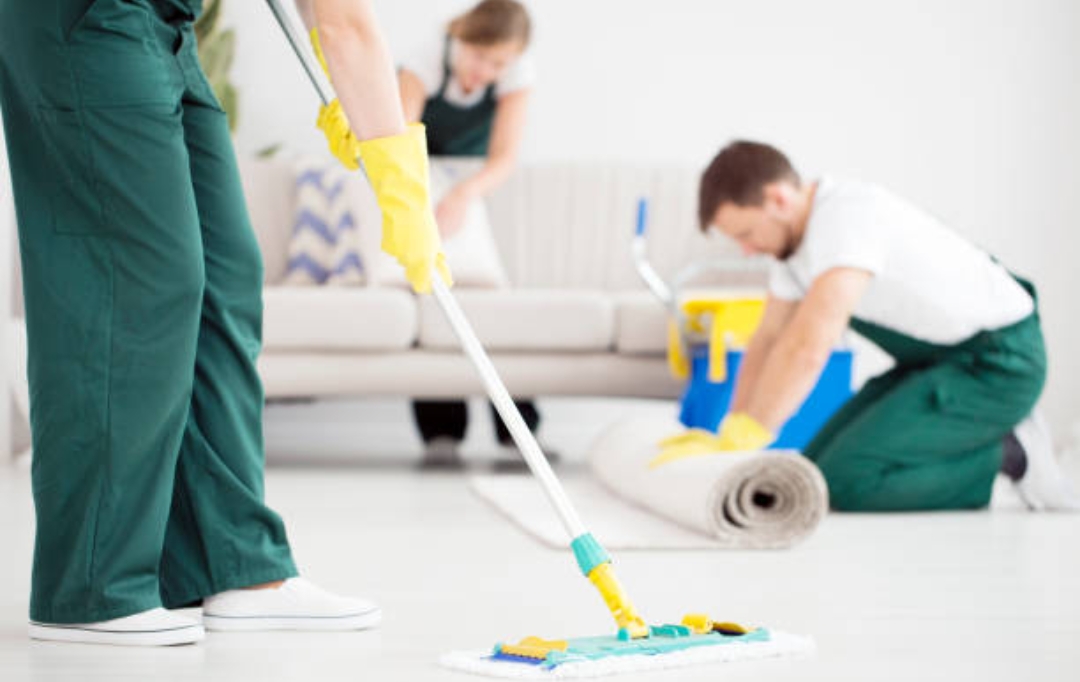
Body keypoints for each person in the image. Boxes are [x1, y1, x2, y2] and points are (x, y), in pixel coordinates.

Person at [0, 0, 448, 646]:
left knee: (225, 272)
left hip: (162, 24)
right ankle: (90, 586)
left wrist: (368, 117)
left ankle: (236, 566)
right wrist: (401, 182)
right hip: (84, 18)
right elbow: (344, 23)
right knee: (140, 276)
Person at [656, 140, 1079, 512]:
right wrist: (730, 428)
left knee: (849, 482)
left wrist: (752, 434)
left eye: (746, 233)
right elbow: (767, 339)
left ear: (779, 199)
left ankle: (1010, 454)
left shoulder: (845, 217)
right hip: (937, 361)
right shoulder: (792, 253)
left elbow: (807, 347)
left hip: (999, 363)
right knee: (813, 473)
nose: (747, 251)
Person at [397, 0, 547, 469]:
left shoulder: (517, 71)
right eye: (479, 56)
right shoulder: (426, 57)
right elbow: (398, 140)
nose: (486, 72)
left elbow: (504, 156)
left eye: (498, 64)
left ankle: (518, 434)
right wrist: (420, 202)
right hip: (421, 184)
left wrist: (463, 195)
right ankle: (441, 432)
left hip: (475, 189)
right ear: (461, 37)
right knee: (434, 300)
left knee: (494, 309)